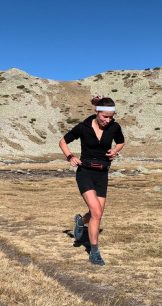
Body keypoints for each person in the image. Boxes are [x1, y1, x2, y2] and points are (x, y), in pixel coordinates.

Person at [59, 96, 125, 266]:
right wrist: (70, 156)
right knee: (96, 212)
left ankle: (81, 221)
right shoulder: (83, 127)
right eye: (105, 117)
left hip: (102, 174)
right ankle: (94, 252)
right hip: (85, 172)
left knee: (98, 213)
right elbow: (62, 142)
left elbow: (121, 142)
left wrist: (115, 150)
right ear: (97, 112)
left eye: (110, 117)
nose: (107, 120)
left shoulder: (114, 127)